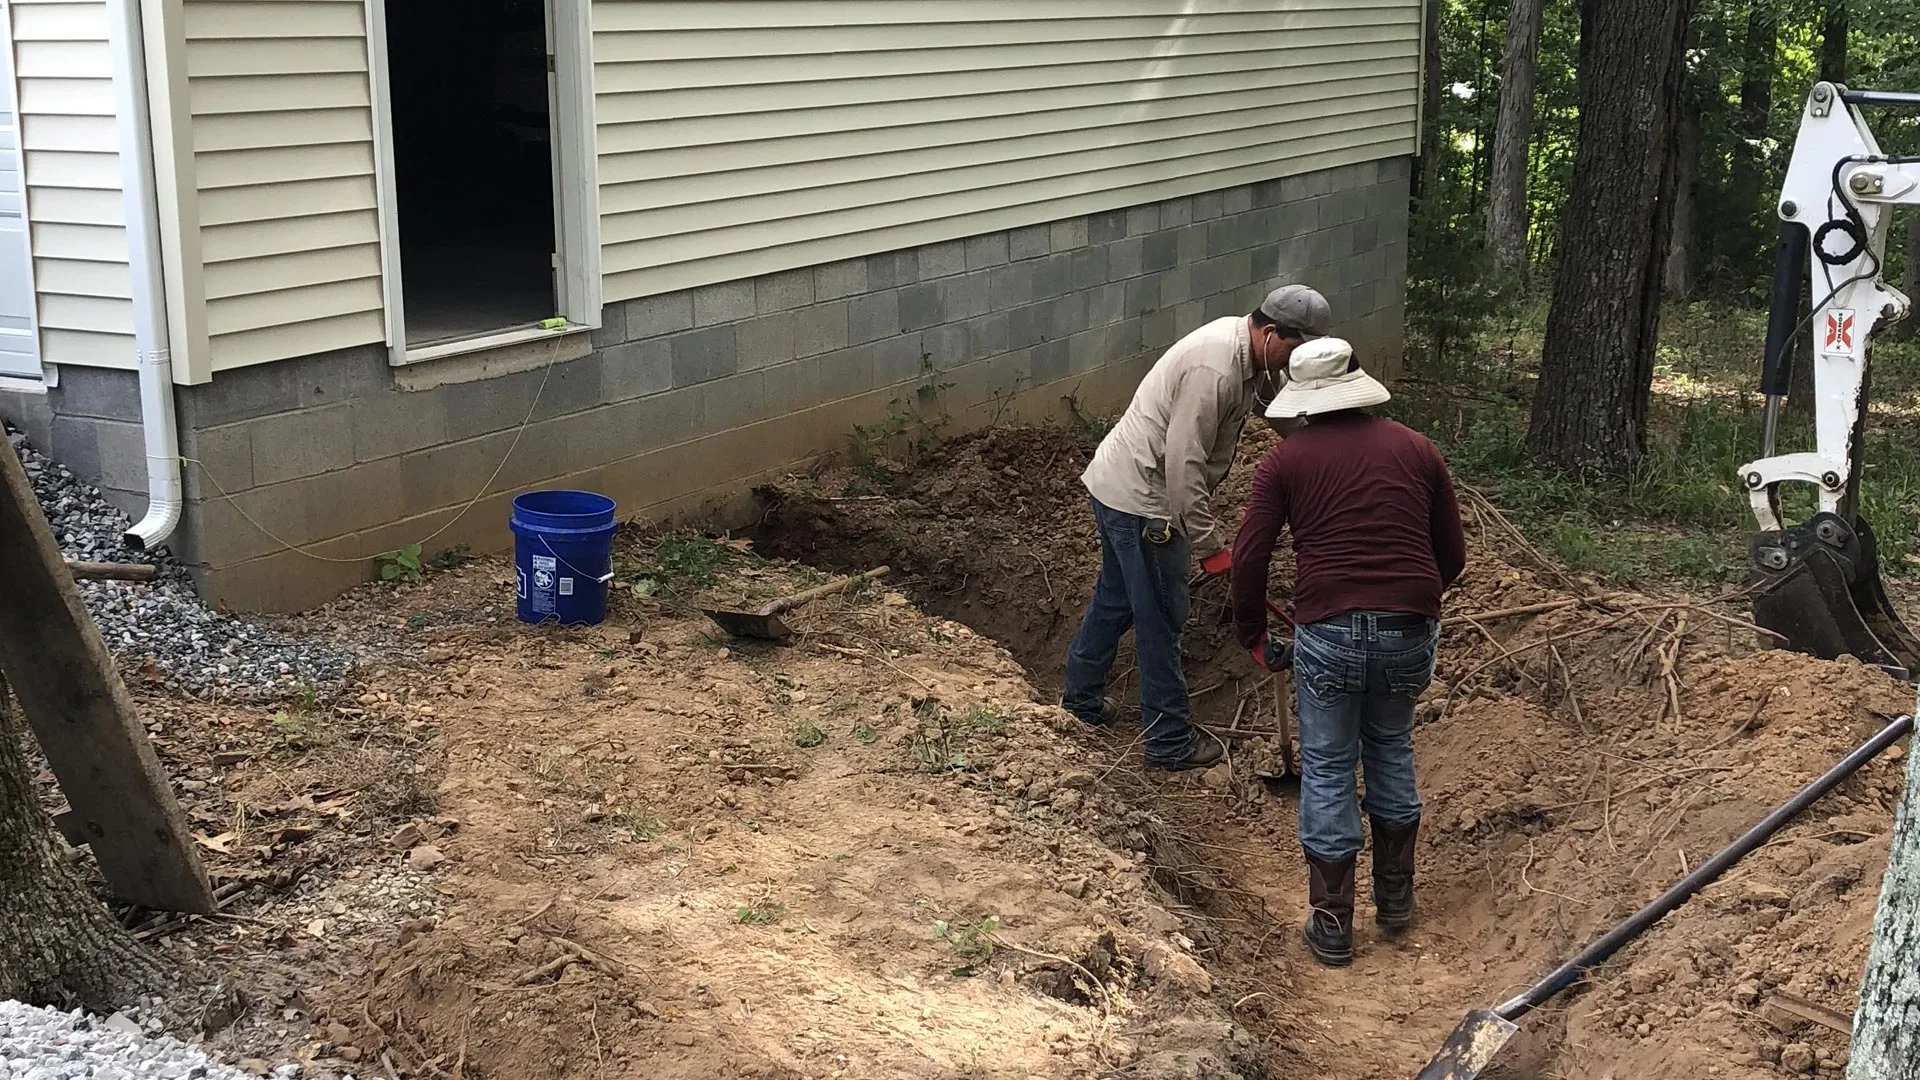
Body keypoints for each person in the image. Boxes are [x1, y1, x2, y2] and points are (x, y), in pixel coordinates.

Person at [1228, 336, 1466, 966]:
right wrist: (1405, 606)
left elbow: (1250, 554)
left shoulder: (1285, 462)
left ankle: (1333, 926)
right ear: (1360, 385)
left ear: (1304, 400)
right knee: (1390, 744)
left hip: (1327, 628)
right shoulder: (1418, 448)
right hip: (1408, 626)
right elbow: (1453, 558)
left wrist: (1251, 630)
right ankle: (1395, 900)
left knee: (1330, 764)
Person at [1063, 284, 1334, 770]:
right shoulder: (1215, 370)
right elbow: (1183, 464)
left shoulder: (1248, 349)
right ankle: (1168, 741)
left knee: (1118, 597)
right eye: (1297, 350)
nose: (1297, 362)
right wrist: (1209, 544)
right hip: (1147, 502)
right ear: (1272, 333)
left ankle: (1079, 702)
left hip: (1116, 485)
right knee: (1162, 617)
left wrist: (1325, 446)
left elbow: (1275, 408)